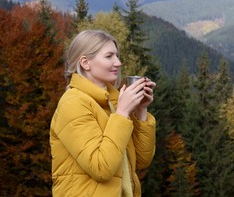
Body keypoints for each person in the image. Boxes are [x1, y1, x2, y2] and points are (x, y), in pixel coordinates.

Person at [50, 30, 156, 197]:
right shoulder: (73, 103)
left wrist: (141, 110)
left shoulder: (112, 102)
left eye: (117, 55)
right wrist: (122, 113)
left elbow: (142, 161)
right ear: (85, 63)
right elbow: (101, 168)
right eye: (109, 56)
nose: (118, 62)